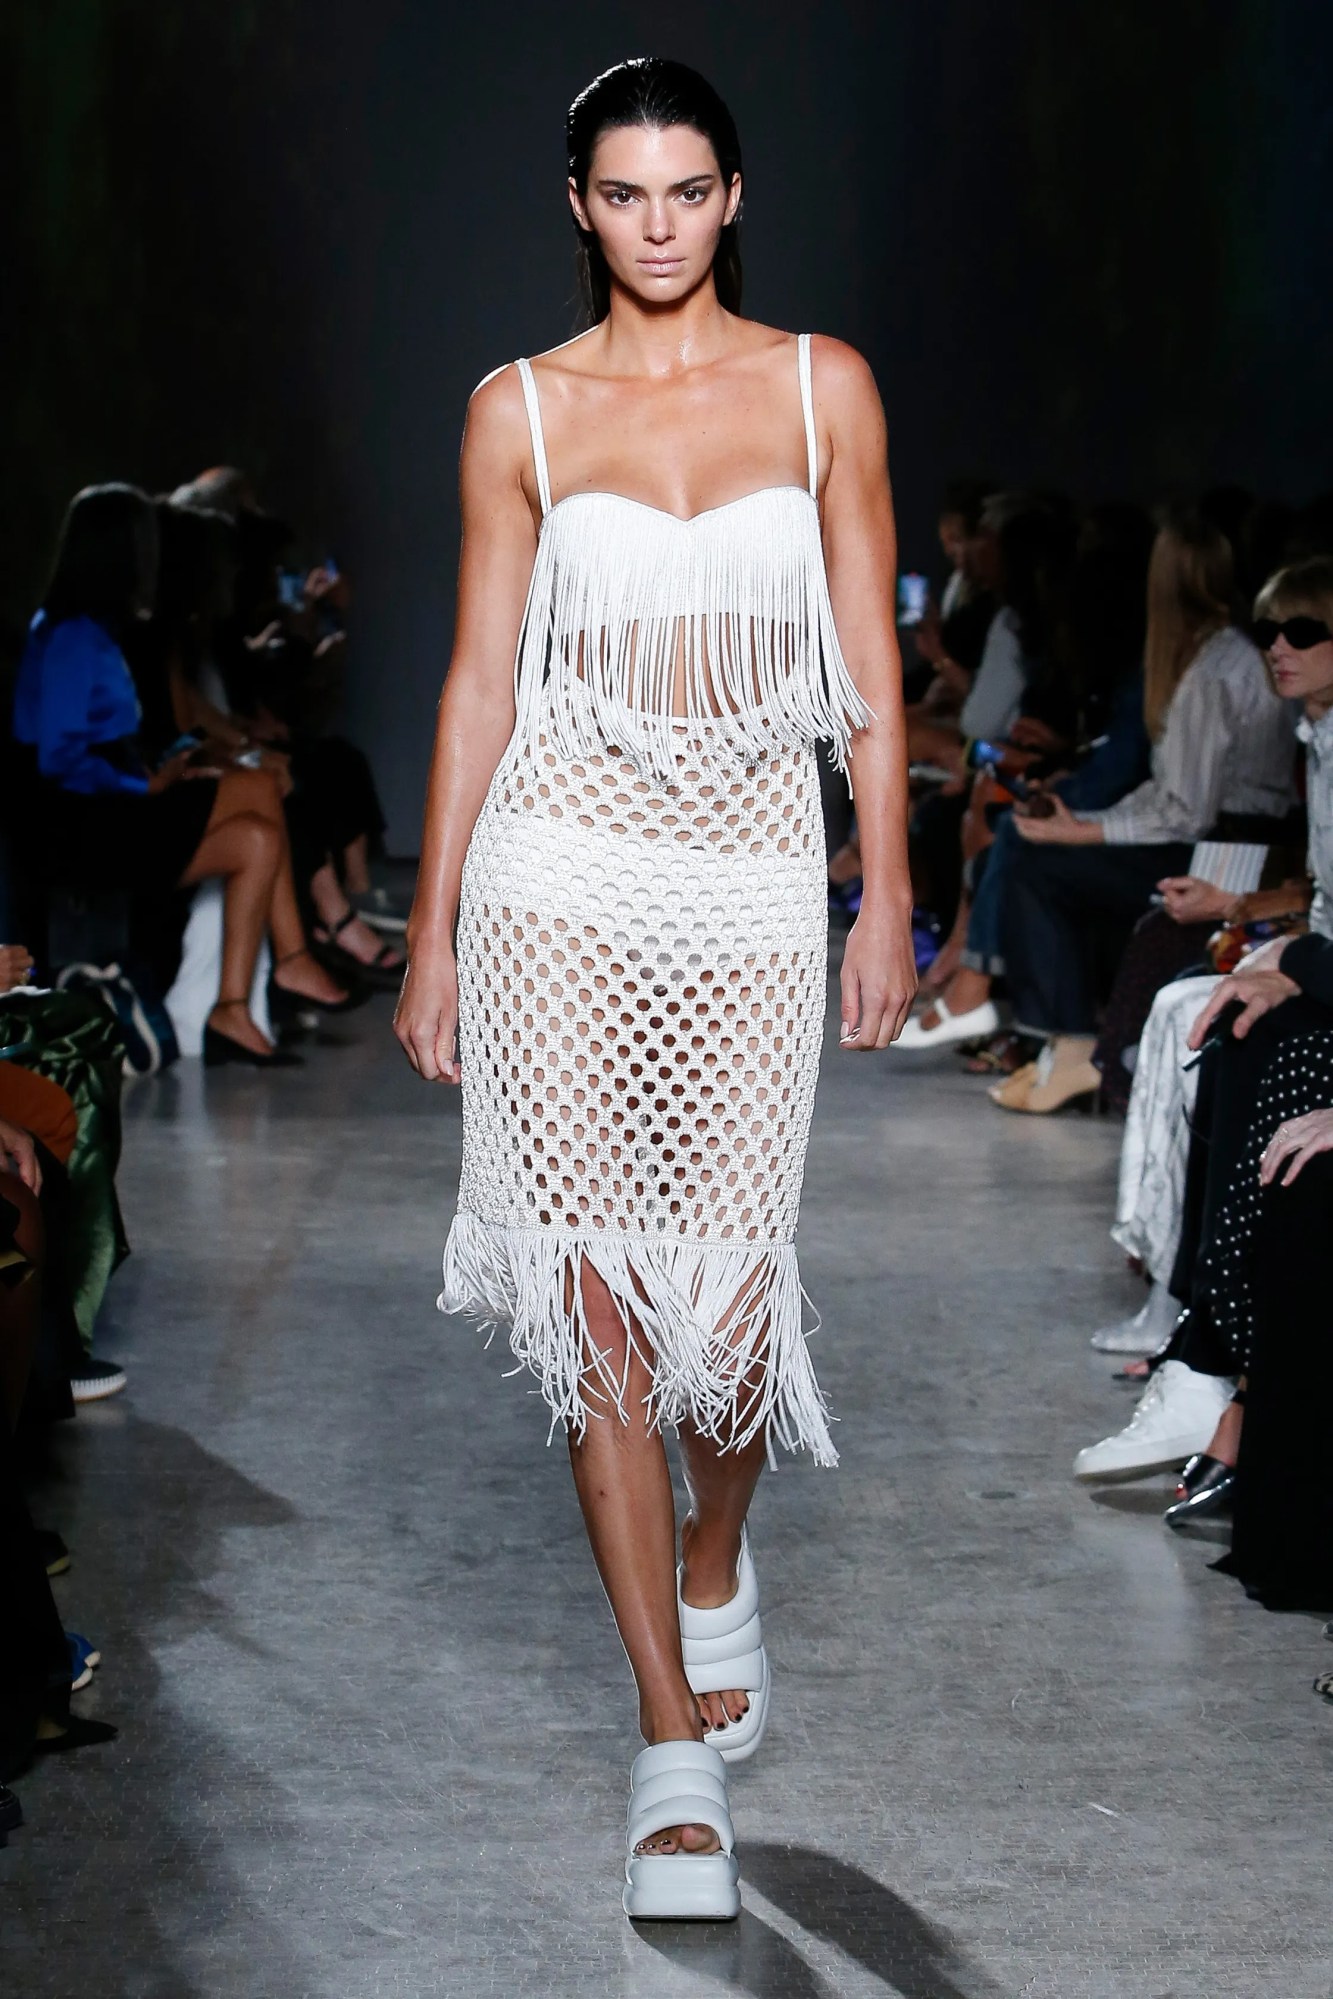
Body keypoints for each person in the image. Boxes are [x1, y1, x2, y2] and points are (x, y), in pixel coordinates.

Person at [393, 58, 914, 1921]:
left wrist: (885, 894)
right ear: (580, 206)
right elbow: (479, 680)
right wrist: (436, 924)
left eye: (689, 190)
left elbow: (868, 665)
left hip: (754, 874)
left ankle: (713, 1552)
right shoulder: (519, 411)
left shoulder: (821, 386)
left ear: (733, 195)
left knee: (736, 1295)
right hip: (559, 868)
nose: (661, 224)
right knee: (596, 1293)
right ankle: (665, 1734)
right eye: (626, 194)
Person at [11, 484, 352, 1064]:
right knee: (258, 789)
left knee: (258, 836)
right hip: (82, 828)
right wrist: (145, 783)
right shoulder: (71, 635)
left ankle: (234, 1005)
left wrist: (162, 769)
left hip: (110, 806)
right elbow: (59, 759)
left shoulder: (92, 630)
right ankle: (290, 962)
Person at [991, 512, 1296, 1113]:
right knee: (1037, 855)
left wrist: (1084, 832)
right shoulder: (1212, 659)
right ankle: (1062, 1042)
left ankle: (1071, 1044)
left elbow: (1185, 811)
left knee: (1038, 868)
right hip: (1218, 841)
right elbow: (1171, 794)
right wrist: (1084, 826)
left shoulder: (1213, 669)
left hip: (1226, 854)